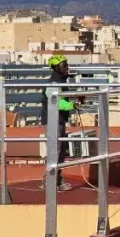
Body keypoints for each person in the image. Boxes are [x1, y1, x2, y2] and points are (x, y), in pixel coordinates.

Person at [40, 54, 78, 191]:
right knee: (54, 150)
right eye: (64, 65)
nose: (67, 67)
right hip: (52, 120)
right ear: (56, 67)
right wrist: (71, 105)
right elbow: (56, 101)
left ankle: (56, 179)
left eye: (67, 65)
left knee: (60, 151)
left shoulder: (61, 81)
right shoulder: (54, 82)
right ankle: (49, 180)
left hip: (59, 120)